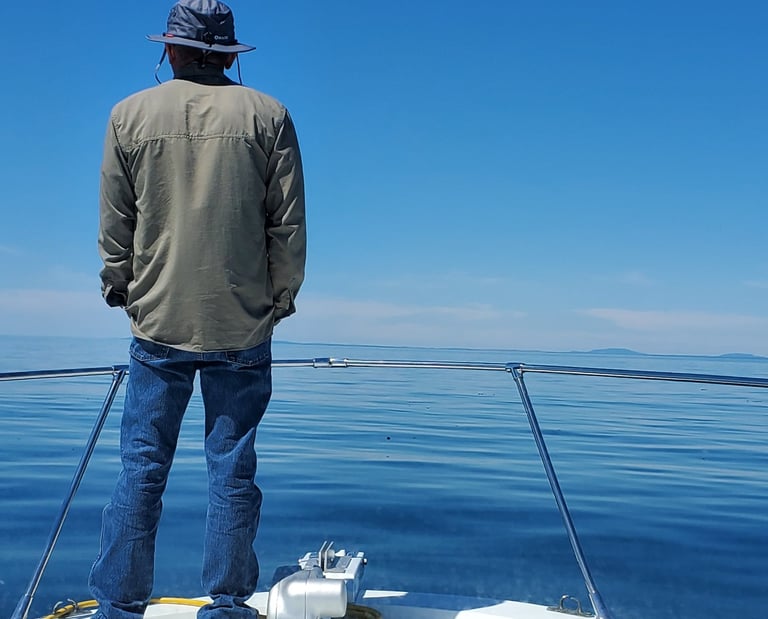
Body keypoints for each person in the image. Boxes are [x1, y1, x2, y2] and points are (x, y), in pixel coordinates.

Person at [91, 1, 306, 618]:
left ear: (173, 50)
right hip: (244, 320)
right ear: (228, 55)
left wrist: (121, 286)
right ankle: (228, 605)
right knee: (232, 470)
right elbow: (286, 225)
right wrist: (280, 299)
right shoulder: (270, 115)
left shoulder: (128, 115)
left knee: (142, 466)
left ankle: (119, 608)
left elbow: (117, 222)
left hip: (157, 318)